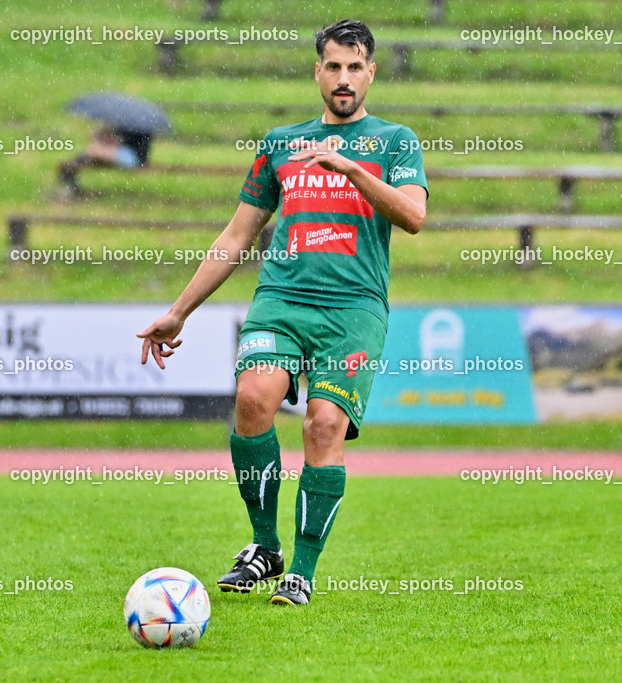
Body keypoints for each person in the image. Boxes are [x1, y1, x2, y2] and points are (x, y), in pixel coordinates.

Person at [137, 19, 428, 606]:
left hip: (353, 308)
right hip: (282, 297)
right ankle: (265, 547)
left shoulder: (396, 141)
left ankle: (304, 568)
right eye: (332, 67)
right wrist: (180, 311)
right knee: (252, 400)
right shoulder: (279, 144)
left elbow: (414, 216)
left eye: (354, 67)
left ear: (371, 72)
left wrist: (353, 171)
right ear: (316, 71)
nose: (343, 79)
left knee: (323, 425)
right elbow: (236, 236)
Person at [58, 126, 150, 196]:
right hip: (126, 154)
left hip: (132, 157)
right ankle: (71, 175)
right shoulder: (128, 126)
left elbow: (131, 152)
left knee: (93, 150)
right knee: (92, 151)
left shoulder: (138, 129)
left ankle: (68, 186)